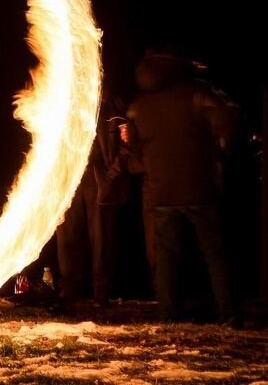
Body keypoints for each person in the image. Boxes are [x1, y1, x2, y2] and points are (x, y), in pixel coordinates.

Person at [124, 47, 240, 326]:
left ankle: (169, 313)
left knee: (167, 255)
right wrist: (221, 152)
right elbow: (228, 120)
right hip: (199, 189)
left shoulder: (139, 105)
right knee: (215, 254)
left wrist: (150, 165)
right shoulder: (197, 95)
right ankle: (229, 313)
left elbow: (133, 149)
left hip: (162, 192)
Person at [55, 88, 129, 305]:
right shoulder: (62, 103)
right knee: (66, 236)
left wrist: (112, 174)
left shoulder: (113, 106)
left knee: (101, 239)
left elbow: (127, 143)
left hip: (99, 180)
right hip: (68, 179)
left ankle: (101, 293)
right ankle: (69, 289)